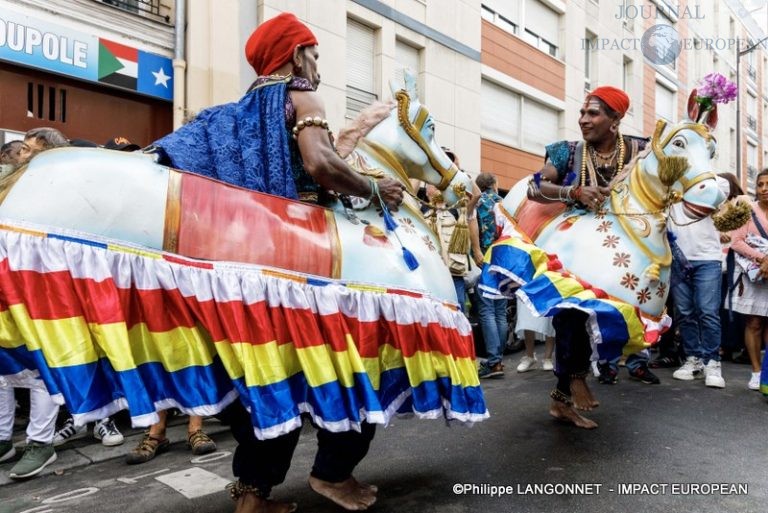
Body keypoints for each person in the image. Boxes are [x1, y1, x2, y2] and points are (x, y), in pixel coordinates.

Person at [148, 12, 406, 513]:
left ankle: (252, 496)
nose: (318, 66)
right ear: (295, 57)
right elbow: (320, 166)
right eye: (314, 54)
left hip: (245, 279)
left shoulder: (228, 115)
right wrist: (376, 187)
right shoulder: (301, 95)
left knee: (269, 385)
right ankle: (333, 474)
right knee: (358, 367)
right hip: (307, 268)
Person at [525, 86, 650, 428]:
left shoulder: (640, 150)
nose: (583, 120)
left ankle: (562, 397)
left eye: (593, 113)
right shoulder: (567, 153)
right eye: (582, 113)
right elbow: (535, 187)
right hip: (574, 245)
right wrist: (574, 191)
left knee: (627, 307)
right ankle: (575, 377)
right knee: (572, 308)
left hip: (623, 247)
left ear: (615, 120)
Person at [0, 127, 69, 479]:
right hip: (4, 286)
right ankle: (3, 439)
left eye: (27, 150)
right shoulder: (11, 183)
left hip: (35, 288)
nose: (18, 155)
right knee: (2, 367)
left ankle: (41, 443)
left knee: (40, 367)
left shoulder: (55, 188)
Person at [668, 175, 729, 388]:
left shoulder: (715, 182)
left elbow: (723, 189)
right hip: (677, 257)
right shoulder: (669, 183)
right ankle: (693, 360)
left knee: (708, 312)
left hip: (708, 259)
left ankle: (713, 362)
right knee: (684, 313)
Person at [728, 168, 768, 390]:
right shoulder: (747, 211)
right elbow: (737, 241)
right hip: (754, 274)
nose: (764, 189)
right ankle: (755, 371)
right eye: (760, 185)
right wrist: (763, 258)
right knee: (754, 322)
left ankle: (767, 372)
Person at [475, 172, 508, 379]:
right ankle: (498, 359)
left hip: (485, 258)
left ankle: (494, 361)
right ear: (494, 185)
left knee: (487, 311)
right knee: (501, 311)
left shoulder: (477, 203)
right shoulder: (504, 203)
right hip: (504, 258)